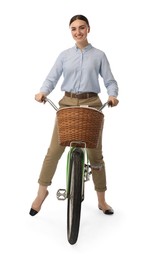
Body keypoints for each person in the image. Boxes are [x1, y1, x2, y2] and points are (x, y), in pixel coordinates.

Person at [29, 14, 119, 217]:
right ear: (70, 31)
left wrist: (112, 96)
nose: (78, 32)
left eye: (82, 27)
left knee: (96, 155)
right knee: (54, 150)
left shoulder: (99, 55)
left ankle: (102, 200)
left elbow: (110, 81)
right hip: (68, 103)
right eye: (74, 28)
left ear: (89, 29)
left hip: (92, 105)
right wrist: (43, 92)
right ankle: (41, 193)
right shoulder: (64, 55)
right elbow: (52, 77)